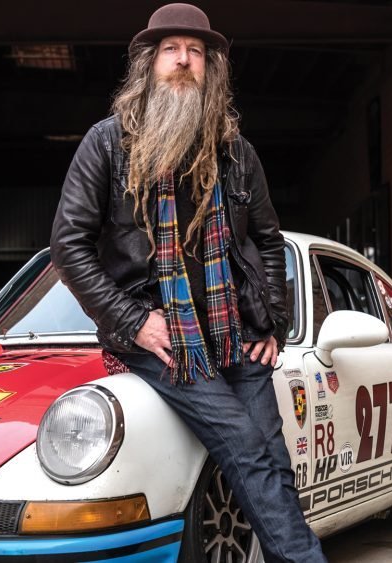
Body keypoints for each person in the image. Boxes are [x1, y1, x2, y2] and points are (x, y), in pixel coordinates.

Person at [50, 4, 328, 561]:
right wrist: (132, 321)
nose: (184, 61)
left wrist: (273, 319)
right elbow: (68, 245)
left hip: (234, 332)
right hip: (162, 336)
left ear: (211, 68)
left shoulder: (237, 153)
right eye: (172, 49)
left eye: (196, 52)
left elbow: (270, 241)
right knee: (248, 451)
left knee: (273, 460)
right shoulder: (106, 144)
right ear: (150, 64)